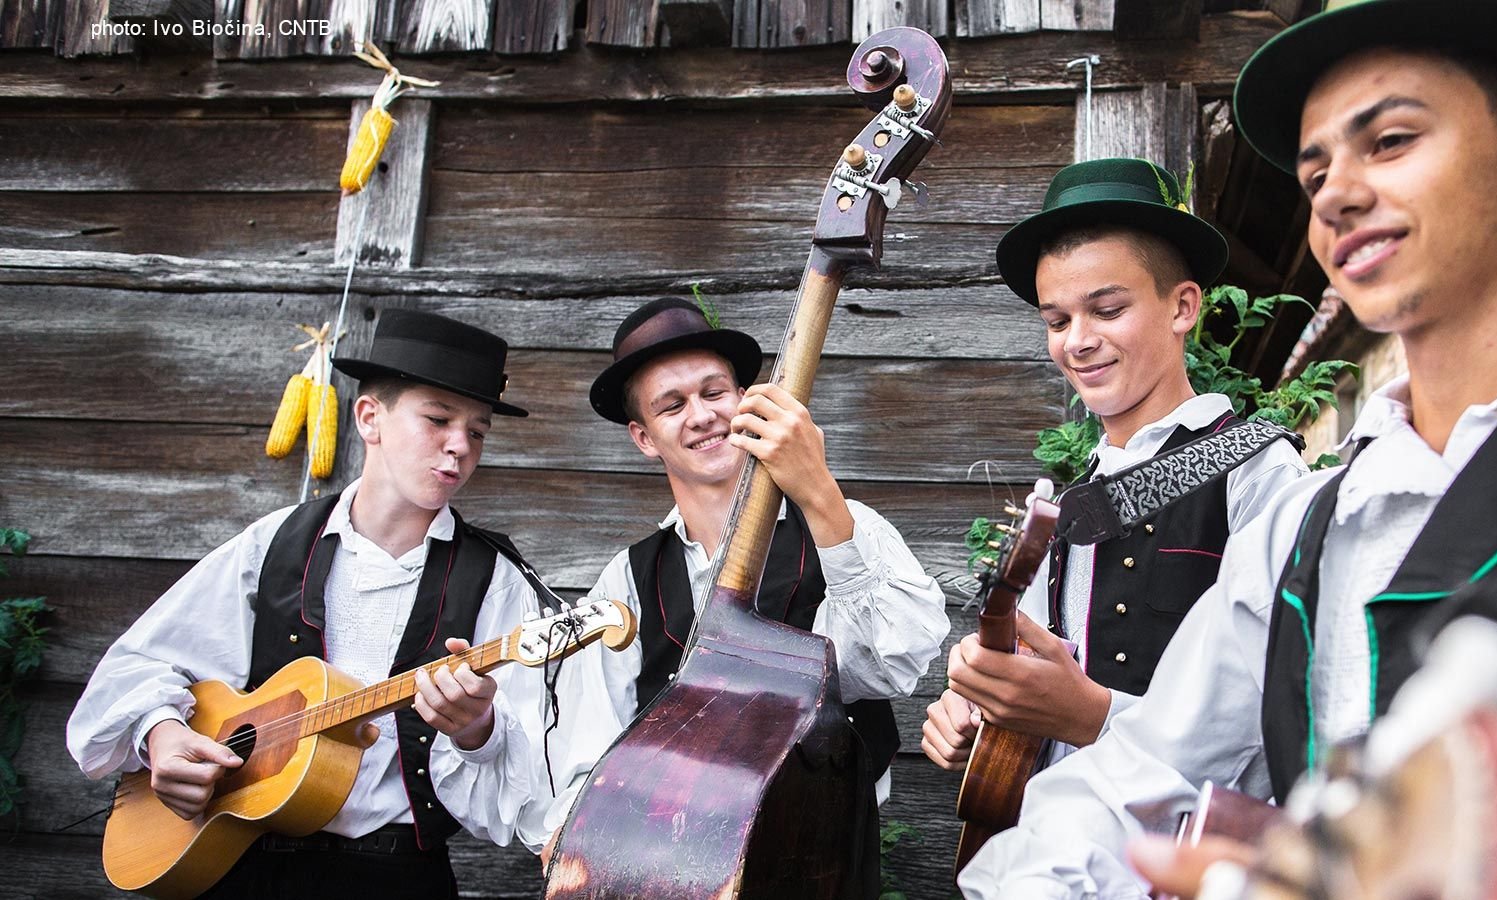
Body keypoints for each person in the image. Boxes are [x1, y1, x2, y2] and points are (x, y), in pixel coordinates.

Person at [960, 1, 1497, 897]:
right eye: (1315, 174)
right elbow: (1136, 776)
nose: (1335, 195)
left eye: (1389, 141)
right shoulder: (1309, 525)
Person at [430, 296, 949, 862]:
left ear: (744, 400)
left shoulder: (841, 523)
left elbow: (890, 663)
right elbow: (586, 744)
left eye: (714, 392)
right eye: (672, 405)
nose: (701, 416)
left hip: (828, 860)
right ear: (644, 437)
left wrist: (818, 488)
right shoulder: (626, 582)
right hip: (681, 866)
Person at [68, 309, 548, 898]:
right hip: (239, 862)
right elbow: (134, 668)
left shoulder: (498, 581)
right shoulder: (273, 544)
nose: (459, 447)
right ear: (369, 418)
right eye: (438, 419)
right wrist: (162, 732)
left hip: (395, 878)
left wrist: (477, 729)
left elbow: (528, 785)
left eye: (477, 432)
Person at [920, 158, 1306, 782]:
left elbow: (1288, 712)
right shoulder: (1069, 507)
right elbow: (1037, 688)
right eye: (1057, 321)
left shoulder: (1258, 471)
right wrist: (982, 715)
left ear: (1182, 307)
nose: (1077, 341)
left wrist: (1096, 718)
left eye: (1106, 309)